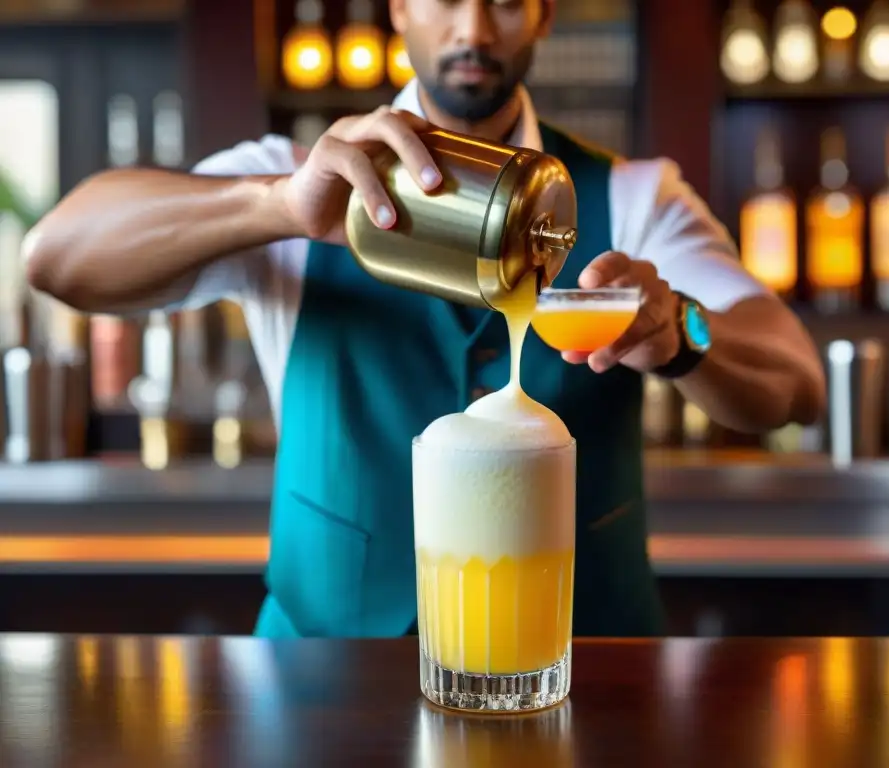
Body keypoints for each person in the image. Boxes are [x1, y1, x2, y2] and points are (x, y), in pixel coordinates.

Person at [23, 0, 826, 639]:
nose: (473, 28)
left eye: (507, 1)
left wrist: (681, 332)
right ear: (399, 7)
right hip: (321, 686)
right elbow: (54, 256)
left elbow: (795, 383)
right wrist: (270, 205)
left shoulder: (636, 198)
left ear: (545, 13)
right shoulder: (289, 179)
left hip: (584, 687)